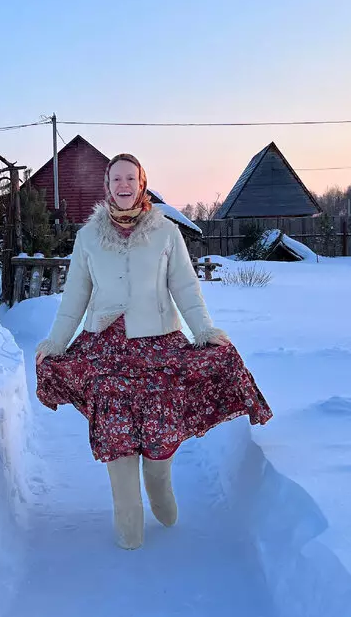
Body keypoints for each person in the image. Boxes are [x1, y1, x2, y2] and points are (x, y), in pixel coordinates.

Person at [35, 153, 272, 549]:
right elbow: (74, 298)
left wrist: (205, 330)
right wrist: (55, 343)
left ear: (141, 184)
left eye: (131, 178)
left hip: (160, 347)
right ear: (107, 187)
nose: (123, 185)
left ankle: (159, 487)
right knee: (116, 434)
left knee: (160, 439)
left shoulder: (166, 232)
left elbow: (185, 288)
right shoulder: (88, 238)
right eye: (116, 179)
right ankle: (128, 517)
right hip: (105, 350)